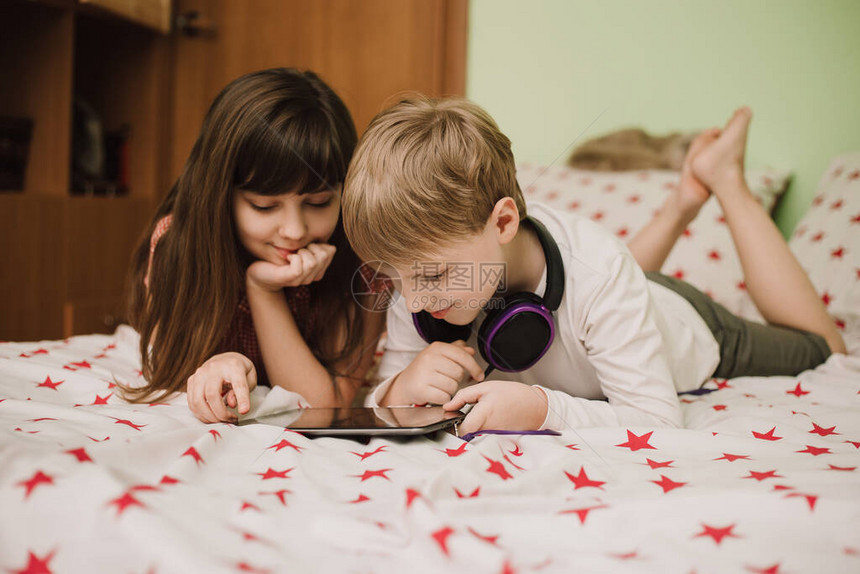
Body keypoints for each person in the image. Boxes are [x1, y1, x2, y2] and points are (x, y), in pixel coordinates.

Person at [341, 99, 845, 436]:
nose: (415, 301)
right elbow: (387, 394)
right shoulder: (418, 270)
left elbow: (656, 421)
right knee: (603, 284)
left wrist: (545, 409)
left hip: (687, 321)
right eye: (395, 279)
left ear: (503, 222)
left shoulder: (598, 270)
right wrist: (399, 388)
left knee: (826, 347)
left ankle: (723, 179)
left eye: (429, 278)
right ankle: (681, 203)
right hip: (606, 288)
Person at [124, 68, 385, 423]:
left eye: (319, 202)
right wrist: (218, 364)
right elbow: (170, 366)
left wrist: (263, 289)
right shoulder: (178, 244)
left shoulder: (360, 259)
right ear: (220, 195)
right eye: (264, 206)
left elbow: (324, 408)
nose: (294, 231)